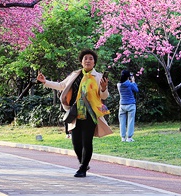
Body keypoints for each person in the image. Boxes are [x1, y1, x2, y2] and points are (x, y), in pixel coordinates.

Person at [38, 49, 110, 178]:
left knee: (87, 141)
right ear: (81, 62)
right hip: (75, 112)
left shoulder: (98, 76)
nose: (88, 60)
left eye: (91, 58)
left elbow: (104, 96)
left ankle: (82, 168)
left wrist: (104, 88)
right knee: (76, 142)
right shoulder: (75, 75)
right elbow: (61, 85)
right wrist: (45, 82)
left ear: (94, 62)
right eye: (85, 58)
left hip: (91, 113)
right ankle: (83, 162)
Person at [118, 70, 139, 142]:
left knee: (122, 122)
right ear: (128, 77)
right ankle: (129, 137)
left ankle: (123, 137)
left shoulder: (119, 85)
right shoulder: (130, 84)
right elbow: (136, 90)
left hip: (122, 104)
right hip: (131, 104)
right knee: (130, 121)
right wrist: (133, 81)